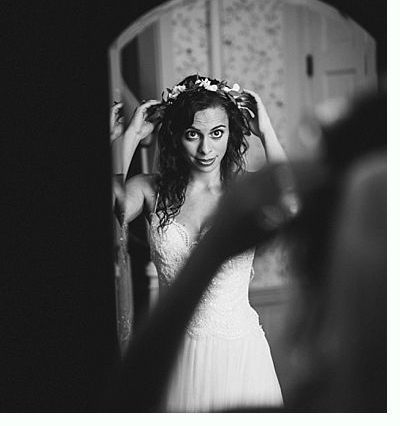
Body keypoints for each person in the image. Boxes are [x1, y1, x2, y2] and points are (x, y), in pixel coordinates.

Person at [113, 74, 287, 411]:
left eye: (217, 133)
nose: (206, 149)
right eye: (193, 134)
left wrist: (266, 130)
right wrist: (130, 138)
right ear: (176, 136)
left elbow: (292, 200)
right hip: (172, 352)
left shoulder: (248, 191)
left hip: (240, 351)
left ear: (231, 134)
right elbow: (112, 208)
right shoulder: (150, 189)